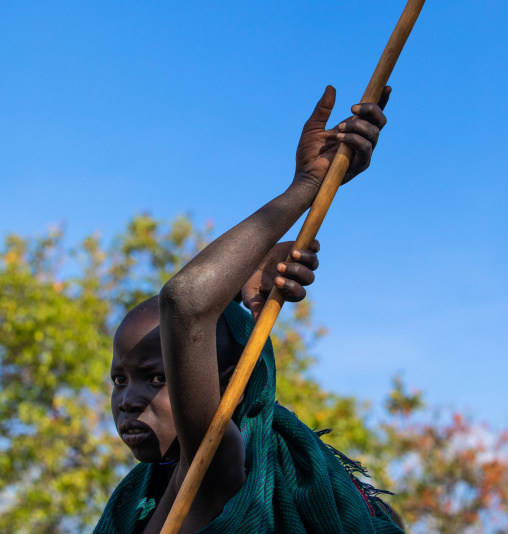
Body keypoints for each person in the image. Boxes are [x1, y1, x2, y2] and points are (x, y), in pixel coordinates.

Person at [95, 85, 404, 533]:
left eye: (159, 377)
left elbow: (185, 301)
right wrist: (243, 283)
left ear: (219, 384)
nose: (128, 401)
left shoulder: (212, 467)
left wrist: (309, 186)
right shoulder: (136, 504)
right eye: (119, 379)